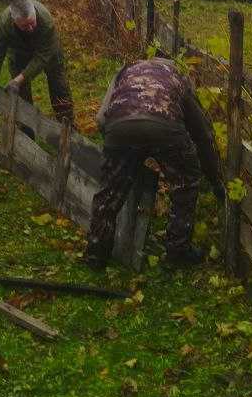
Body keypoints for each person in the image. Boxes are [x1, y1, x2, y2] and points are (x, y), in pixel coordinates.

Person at [85, 56, 225, 269]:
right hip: (164, 127)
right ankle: (177, 251)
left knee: (109, 192)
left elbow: (101, 119)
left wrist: (119, 155)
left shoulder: (126, 71)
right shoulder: (179, 77)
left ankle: (96, 253)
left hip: (119, 126)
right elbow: (203, 134)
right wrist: (216, 181)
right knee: (186, 182)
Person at [0, 0, 73, 122]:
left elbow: (42, 58)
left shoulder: (46, 21)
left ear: (35, 14)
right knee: (20, 93)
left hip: (47, 50)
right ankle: (26, 131)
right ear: (14, 21)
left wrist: (18, 79)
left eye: (32, 23)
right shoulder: (4, 23)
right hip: (19, 51)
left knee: (59, 85)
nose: (30, 28)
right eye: (25, 26)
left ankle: (67, 127)